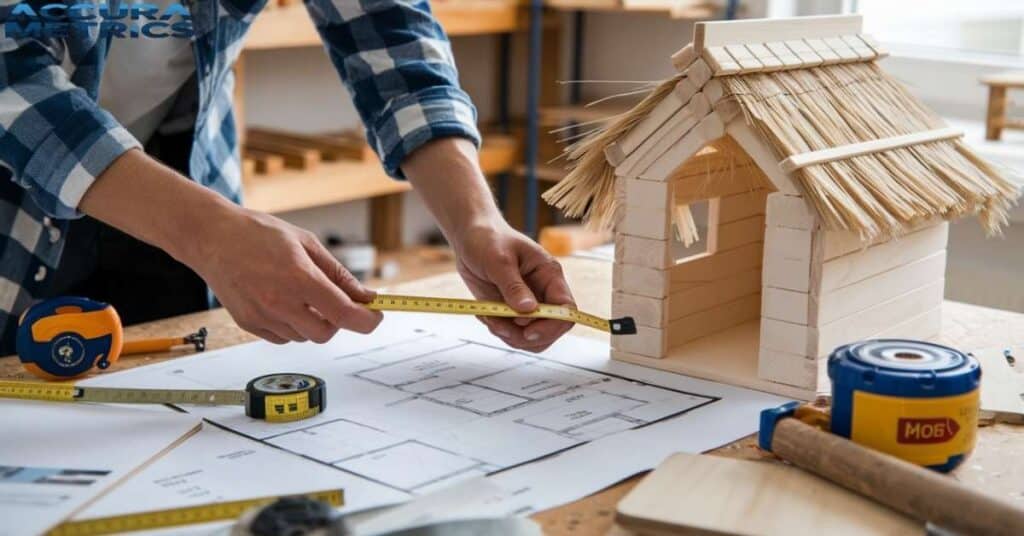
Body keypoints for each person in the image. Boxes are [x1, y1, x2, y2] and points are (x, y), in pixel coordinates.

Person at [0, 0, 574, 355]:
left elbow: (386, 26)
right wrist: (210, 234)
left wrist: (475, 218)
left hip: (184, 170)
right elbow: (12, 78)